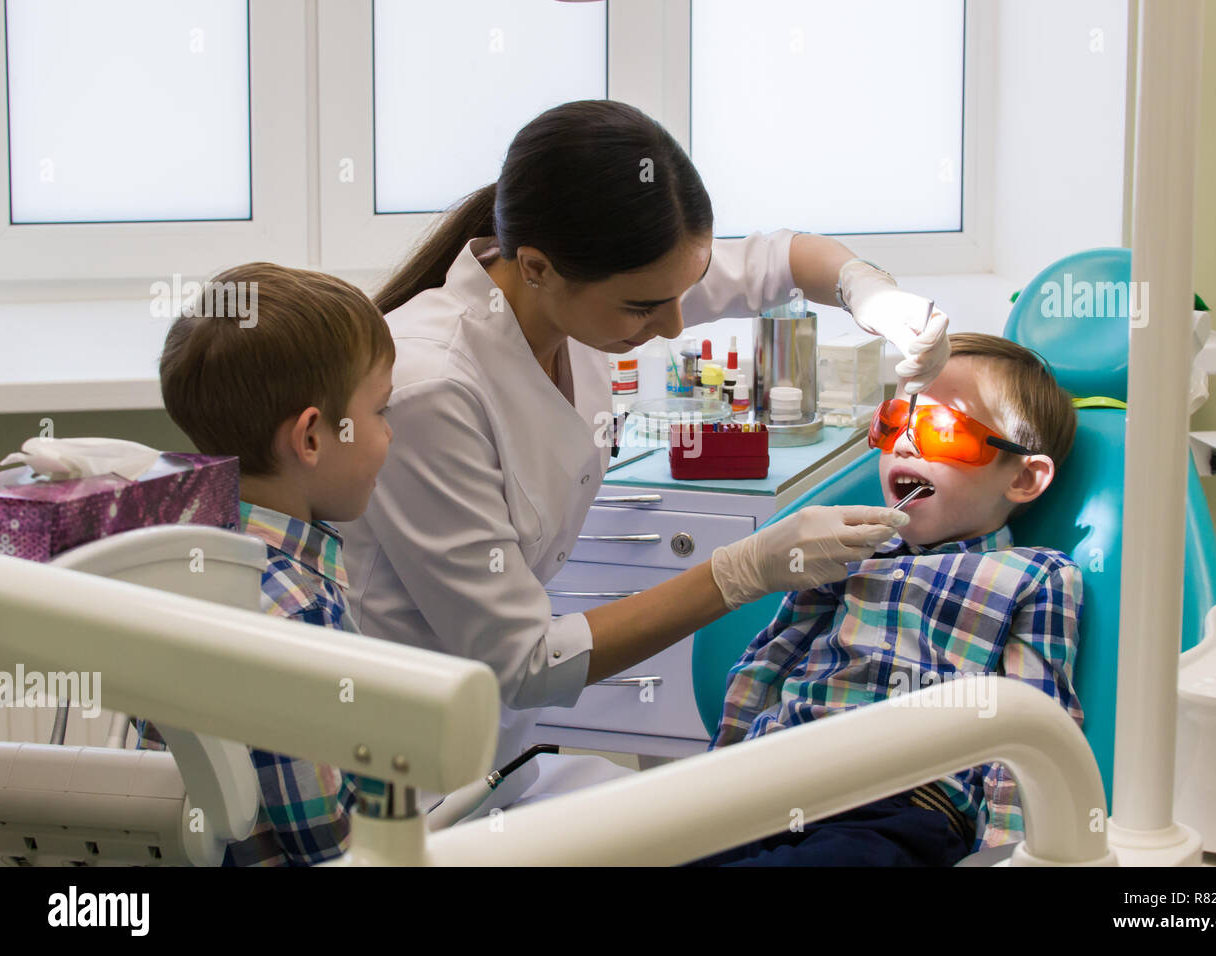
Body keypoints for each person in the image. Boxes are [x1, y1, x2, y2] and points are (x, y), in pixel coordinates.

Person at [336, 99, 951, 814]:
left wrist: (870, 294)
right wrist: (742, 570)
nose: (673, 324)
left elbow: (782, 259)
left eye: (683, 292)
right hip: (405, 783)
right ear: (536, 267)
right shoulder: (429, 388)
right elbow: (525, 661)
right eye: (643, 308)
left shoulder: (591, 286)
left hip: (499, 757)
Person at [689, 333, 1084, 866]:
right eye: (894, 422)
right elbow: (770, 660)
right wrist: (713, 783)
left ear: (1024, 477)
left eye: (942, 429)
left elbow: (1035, 724)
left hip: (898, 804)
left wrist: (1008, 854)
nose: (903, 444)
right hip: (772, 779)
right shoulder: (849, 549)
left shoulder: (1035, 577)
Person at [146, 262, 392, 865]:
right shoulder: (294, 610)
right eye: (382, 411)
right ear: (311, 437)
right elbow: (327, 843)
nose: (390, 434)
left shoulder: (173, 545)